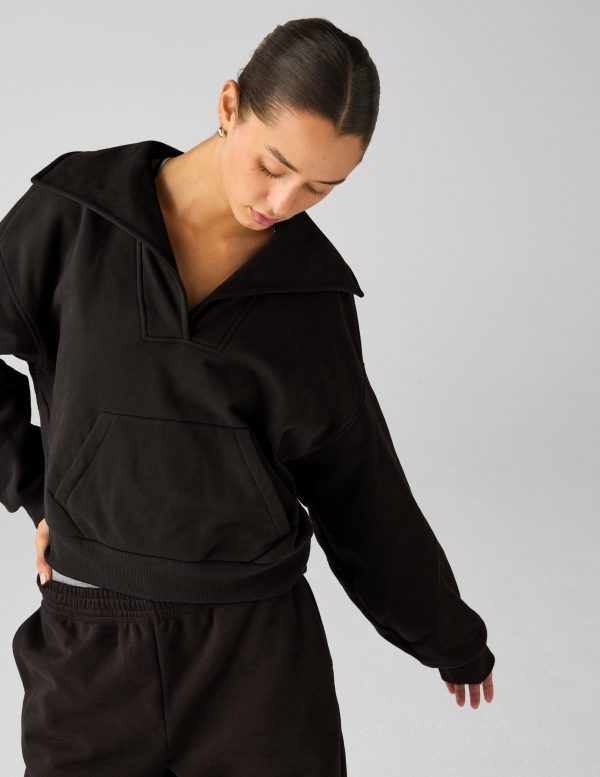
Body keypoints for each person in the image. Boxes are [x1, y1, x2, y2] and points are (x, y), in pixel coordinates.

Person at [1, 16, 495, 777]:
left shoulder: (311, 299)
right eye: (274, 165)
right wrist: (36, 488)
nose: (284, 201)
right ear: (229, 105)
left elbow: (358, 484)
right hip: (89, 640)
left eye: (321, 188)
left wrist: (448, 636)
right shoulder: (75, 216)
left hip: (257, 661)